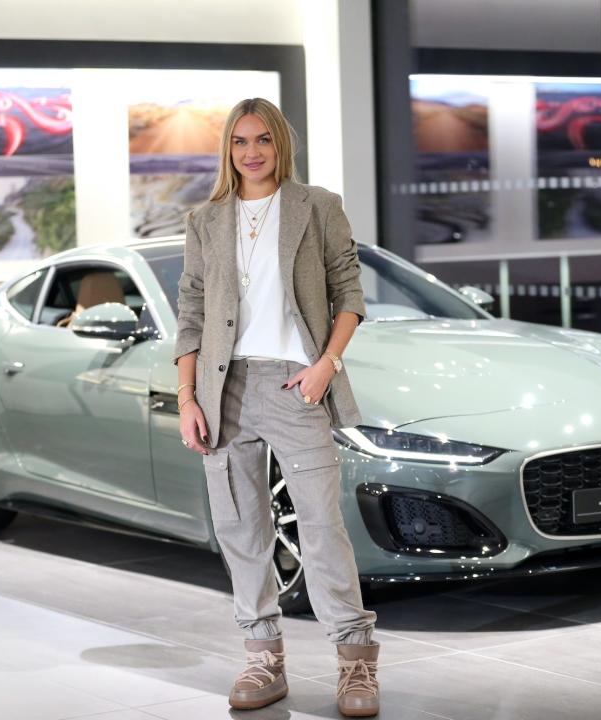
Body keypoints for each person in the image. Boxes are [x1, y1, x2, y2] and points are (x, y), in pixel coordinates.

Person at [172, 97, 380, 717]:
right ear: (227, 150)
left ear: (280, 144)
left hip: (297, 386)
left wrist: (326, 364)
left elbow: (348, 290)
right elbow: (191, 315)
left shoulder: (316, 207)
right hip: (223, 388)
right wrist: (187, 397)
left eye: (262, 139)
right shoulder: (204, 220)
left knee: (321, 530)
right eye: (240, 142)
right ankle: (263, 656)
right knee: (241, 531)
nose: (252, 152)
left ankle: (354, 662)